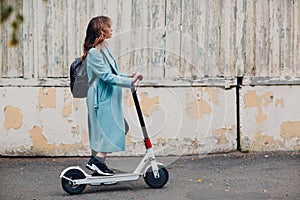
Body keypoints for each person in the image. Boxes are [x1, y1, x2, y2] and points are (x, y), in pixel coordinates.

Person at [82, 16, 143, 176]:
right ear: (101, 30)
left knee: (114, 128)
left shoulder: (104, 48)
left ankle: (99, 165)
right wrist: (129, 82)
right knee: (112, 128)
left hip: (108, 96)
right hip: (101, 97)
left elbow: (112, 73)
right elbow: (107, 77)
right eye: (109, 26)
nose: (112, 29)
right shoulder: (94, 53)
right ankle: (96, 161)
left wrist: (129, 77)